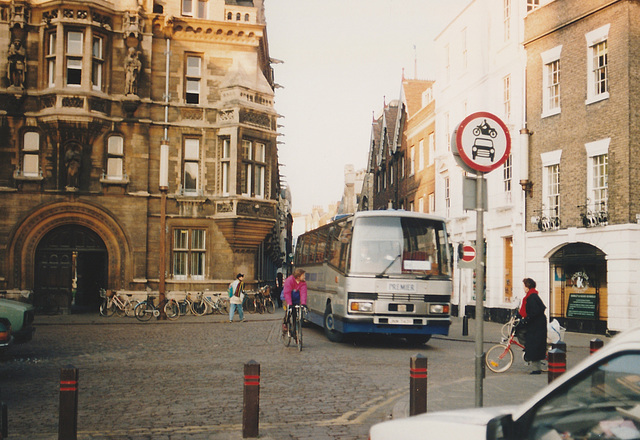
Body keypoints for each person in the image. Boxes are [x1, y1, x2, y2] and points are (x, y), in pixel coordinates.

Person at [518, 278, 547, 374]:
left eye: (524, 286)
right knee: (533, 344)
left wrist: (526, 320)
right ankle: (528, 351)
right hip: (536, 324)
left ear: (528, 286)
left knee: (533, 345)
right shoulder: (531, 296)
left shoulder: (532, 297)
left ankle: (536, 369)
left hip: (536, 326)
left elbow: (534, 312)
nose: (523, 288)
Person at [282, 269, 307, 335]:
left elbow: (303, 293)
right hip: (286, 297)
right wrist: (289, 304)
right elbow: (287, 293)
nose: (304, 276)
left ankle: (295, 333)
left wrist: (303, 303)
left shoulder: (303, 283)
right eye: (303, 275)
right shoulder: (289, 281)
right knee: (289, 310)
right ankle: (285, 322)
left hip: (295, 299)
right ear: (298, 276)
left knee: (295, 314)